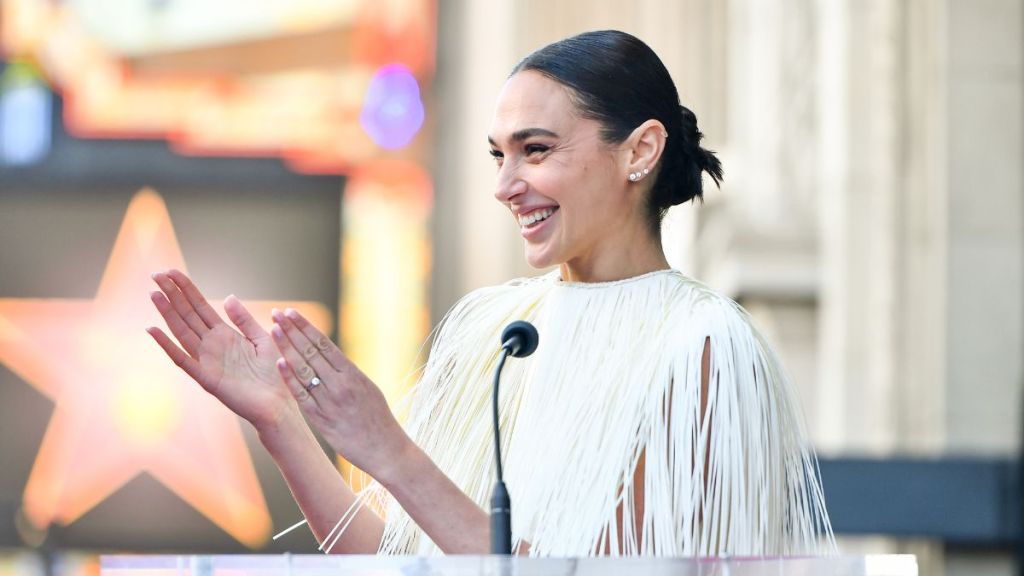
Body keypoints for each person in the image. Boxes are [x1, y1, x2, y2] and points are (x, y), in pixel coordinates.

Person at [148, 30, 834, 557]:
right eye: (498, 155)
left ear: (641, 151)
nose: (506, 185)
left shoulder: (704, 343)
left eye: (535, 150)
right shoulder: (495, 328)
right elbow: (401, 564)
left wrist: (391, 452)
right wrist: (279, 422)